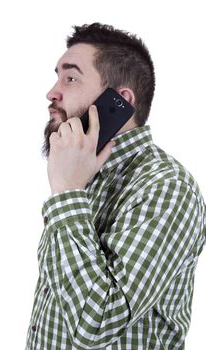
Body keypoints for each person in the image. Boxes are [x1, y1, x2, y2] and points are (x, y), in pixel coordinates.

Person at [25, 23, 206, 349]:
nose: (52, 93)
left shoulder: (167, 188)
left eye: (71, 78)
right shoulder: (84, 176)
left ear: (119, 102)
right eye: (57, 77)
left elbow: (94, 325)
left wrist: (67, 192)